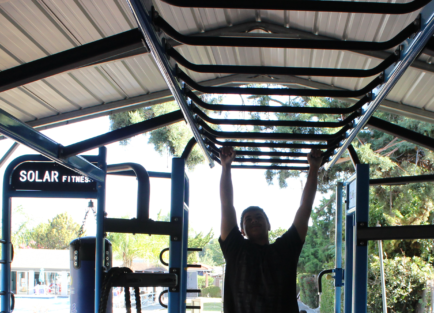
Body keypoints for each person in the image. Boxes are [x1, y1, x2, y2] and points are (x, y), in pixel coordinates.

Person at [218, 147, 323, 313]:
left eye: (259, 217)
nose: (254, 220)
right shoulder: (235, 249)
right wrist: (225, 167)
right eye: (248, 219)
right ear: (242, 231)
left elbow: (305, 209)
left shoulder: (284, 250)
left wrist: (314, 168)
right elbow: (226, 206)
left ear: (269, 225)